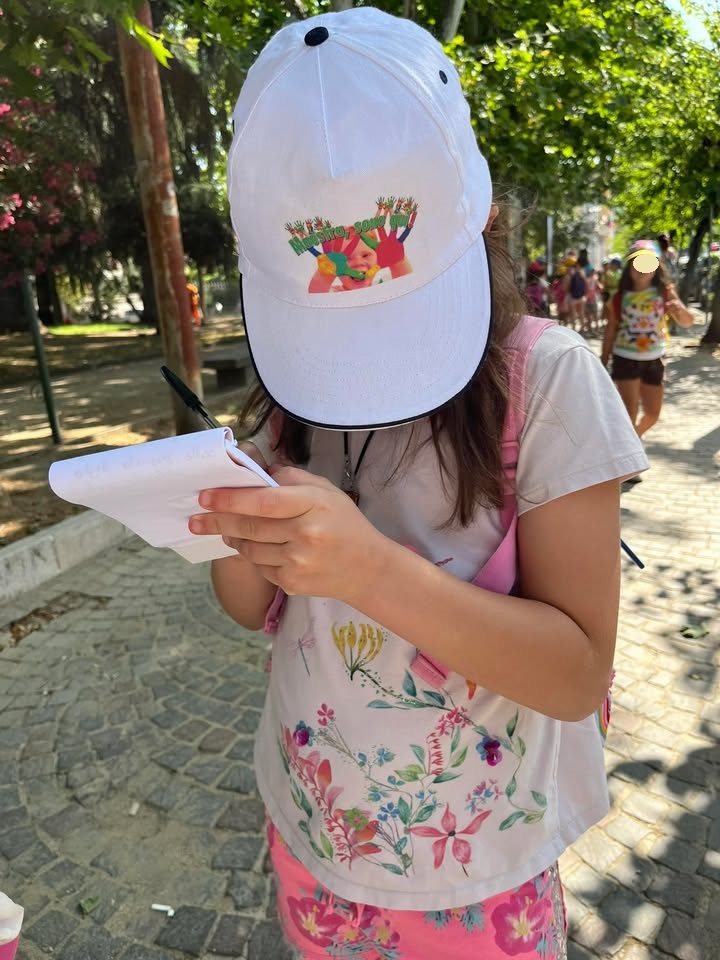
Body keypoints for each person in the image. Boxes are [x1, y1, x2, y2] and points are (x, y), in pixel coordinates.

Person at [195, 10, 648, 959]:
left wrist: (368, 569)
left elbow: (576, 674)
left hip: (476, 868)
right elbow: (249, 608)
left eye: (394, 316)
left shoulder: (547, 381)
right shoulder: (288, 390)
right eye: (332, 332)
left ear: (483, 212)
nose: (357, 370)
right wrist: (233, 525)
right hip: (316, 829)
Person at [601, 239, 694, 449]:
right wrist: (603, 361)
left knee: (652, 414)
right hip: (625, 359)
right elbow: (610, 331)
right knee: (629, 414)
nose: (641, 270)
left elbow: (688, 322)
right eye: (636, 263)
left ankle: (631, 443)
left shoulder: (665, 292)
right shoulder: (618, 298)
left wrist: (679, 310)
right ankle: (629, 454)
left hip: (654, 360)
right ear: (629, 267)